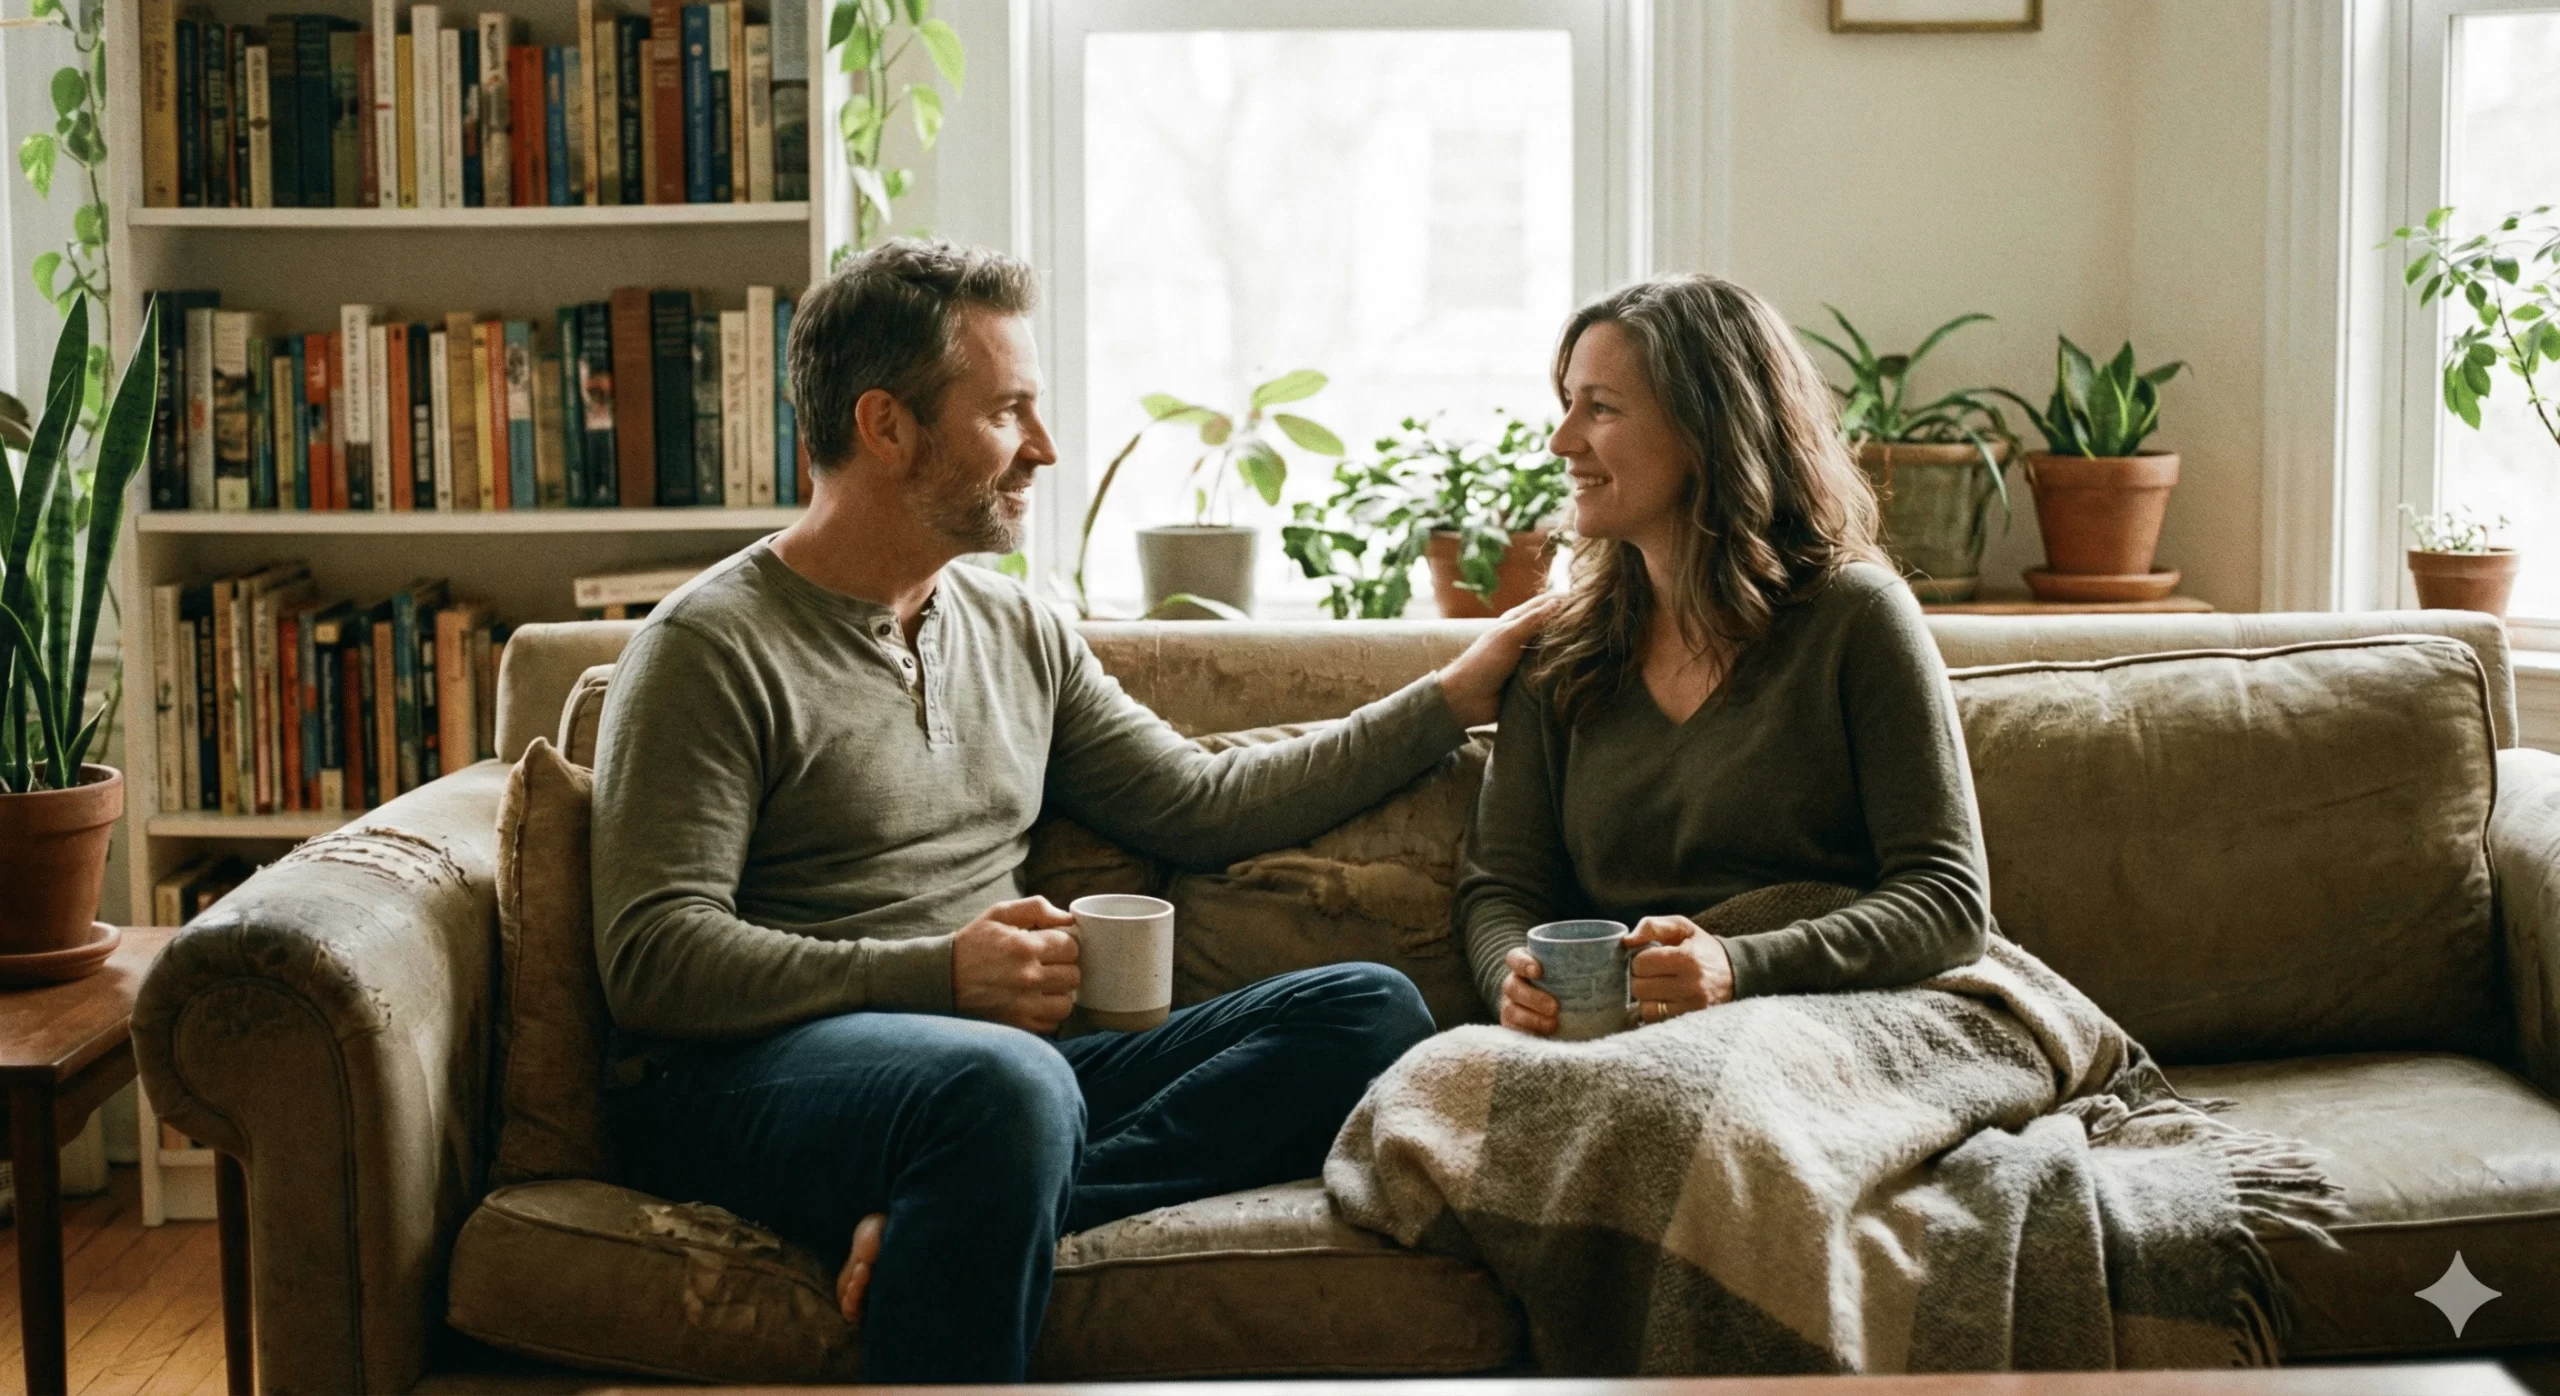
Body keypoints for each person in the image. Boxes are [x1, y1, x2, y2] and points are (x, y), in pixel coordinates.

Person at [589, 238, 1551, 1382]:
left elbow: (1198, 804)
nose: (1042, 448)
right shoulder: (708, 647)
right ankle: (983, 1179)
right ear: (886, 425)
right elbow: (654, 959)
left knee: (1371, 1015)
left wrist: (1448, 697)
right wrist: (936, 973)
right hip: (757, 1082)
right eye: (1007, 411)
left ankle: (964, 1213)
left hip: (995, 1088)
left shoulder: (1016, 629)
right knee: (1007, 1086)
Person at [1458, 273, 1991, 1038]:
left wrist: (1739, 965)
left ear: (1706, 429)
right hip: (1631, 1030)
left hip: (1829, 1015)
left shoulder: (1859, 619)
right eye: (1566, 403)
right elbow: (1499, 887)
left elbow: (1946, 900)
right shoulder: (1561, 650)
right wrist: (1515, 980)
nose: (1562, 439)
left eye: (1600, 408)